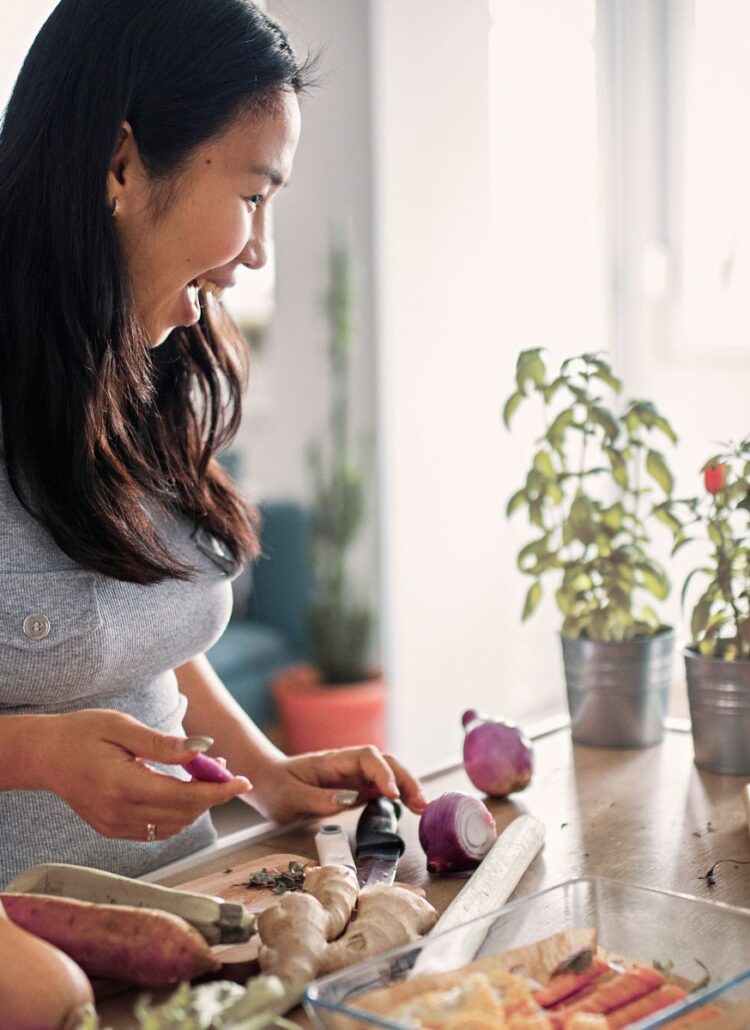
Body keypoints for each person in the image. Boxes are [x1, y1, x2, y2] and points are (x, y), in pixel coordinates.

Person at [0, 0, 427, 888]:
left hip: (191, 916)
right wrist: (35, 754)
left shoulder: (160, 359)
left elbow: (143, 626)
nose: (259, 252)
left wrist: (266, 774)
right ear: (120, 162)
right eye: (250, 196)